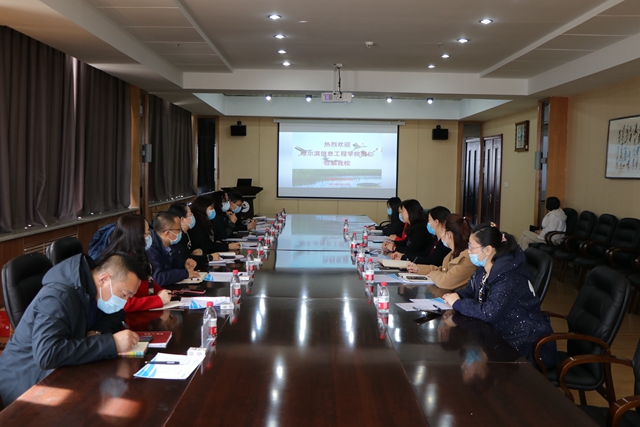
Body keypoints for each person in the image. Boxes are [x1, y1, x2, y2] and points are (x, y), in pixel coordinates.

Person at [0, 252, 145, 406]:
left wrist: (97, 333)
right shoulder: (58, 296)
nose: (124, 302)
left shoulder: (91, 287)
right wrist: (110, 343)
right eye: (124, 295)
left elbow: (116, 314)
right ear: (104, 279)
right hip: (27, 384)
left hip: (63, 370)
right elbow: (47, 354)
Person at [442, 223, 556, 368]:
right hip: (498, 332)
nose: (468, 251)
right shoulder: (485, 267)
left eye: (471, 247)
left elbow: (490, 312)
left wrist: (458, 303)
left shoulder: (509, 276)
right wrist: (454, 296)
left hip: (523, 342)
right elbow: (472, 291)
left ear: (488, 250)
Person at [99, 214, 172, 312]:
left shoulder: (138, 255)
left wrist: (160, 291)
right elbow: (122, 303)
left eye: (149, 233)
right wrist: (157, 300)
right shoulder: (119, 263)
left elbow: (148, 281)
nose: (149, 237)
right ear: (135, 236)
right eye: (146, 234)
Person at [407, 214, 476, 290]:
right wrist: (419, 269)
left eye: (442, 231)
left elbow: (446, 281)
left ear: (448, 235)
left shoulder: (467, 259)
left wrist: (432, 274)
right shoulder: (452, 254)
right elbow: (442, 270)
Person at [146, 211, 200, 287]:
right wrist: (185, 273)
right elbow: (158, 278)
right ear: (167, 233)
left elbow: (172, 266)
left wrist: (184, 265)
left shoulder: (169, 245)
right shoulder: (150, 249)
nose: (181, 232)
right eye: (179, 229)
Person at [168, 202, 218, 271]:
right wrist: (209, 258)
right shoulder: (176, 238)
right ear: (183, 219)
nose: (193, 216)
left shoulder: (187, 233)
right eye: (190, 214)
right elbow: (184, 258)